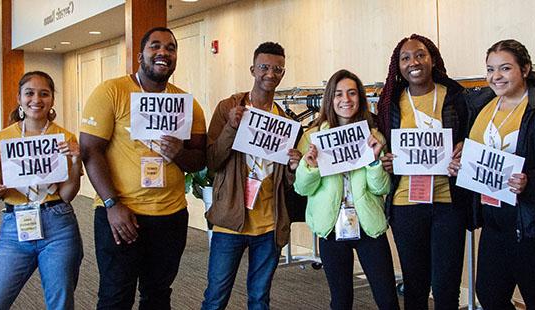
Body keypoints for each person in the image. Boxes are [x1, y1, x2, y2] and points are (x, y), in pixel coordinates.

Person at [80, 27, 207, 309]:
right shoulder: (111, 91)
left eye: (171, 48)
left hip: (170, 216)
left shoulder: (187, 104)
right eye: (155, 46)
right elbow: (90, 151)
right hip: (121, 214)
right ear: (140, 55)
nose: (163, 52)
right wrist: (112, 204)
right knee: (115, 295)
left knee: (158, 293)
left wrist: (180, 155)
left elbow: (200, 158)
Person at [449, 39, 535, 309]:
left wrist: (530, 179)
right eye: (491, 69)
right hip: (492, 221)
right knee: (490, 296)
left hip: (530, 225)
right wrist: (460, 162)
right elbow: (473, 152)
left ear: (525, 69)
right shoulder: (481, 107)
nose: (496, 76)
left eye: (505, 68)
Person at [201, 41, 301, 310]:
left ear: (283, 74)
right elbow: (212, 160)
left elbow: (288, 182)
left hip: (269, 224)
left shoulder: (287, 123)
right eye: (264, 67)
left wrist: (294, 166)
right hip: (229, 222)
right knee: (215, 297)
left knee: (259, 299)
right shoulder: (228, 108)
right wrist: (232, 127)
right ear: (252, 69)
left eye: (277, 69)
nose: (270, 74)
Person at [376, 34, 471, 310]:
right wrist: (387, 160)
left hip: (447, 204)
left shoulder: (455, 97)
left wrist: (465, 148)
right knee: (415, 288)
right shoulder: (390, 101)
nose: (413, 62)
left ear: (432, 59)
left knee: (446, 288)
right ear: (398, 66)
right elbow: (380, 142)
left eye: (420, 55)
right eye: (405, 58)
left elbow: (471, 138)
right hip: (406, 205)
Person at [294, 69, 399, 310]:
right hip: (331, 227)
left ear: (360, 99)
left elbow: (381, 187)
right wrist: (311, 167)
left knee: (387, 298)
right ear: (330, 99)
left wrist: (373, 161)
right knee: (341, 301)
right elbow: (302, 188)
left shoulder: (373, 136)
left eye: (352, 93)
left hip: (368, 226)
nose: (346, 99)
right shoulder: (312, 137)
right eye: (339, 94)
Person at [0, 71, 84, 309]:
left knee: (60, 303)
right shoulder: (2, 138)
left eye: (44, 94)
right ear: (19, 98)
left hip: (59, 226)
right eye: (30, 93)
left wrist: (77, 161)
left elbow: (67, 196)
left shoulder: (65, 138)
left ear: (52, 100)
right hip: (15, 226)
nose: (37, 99)